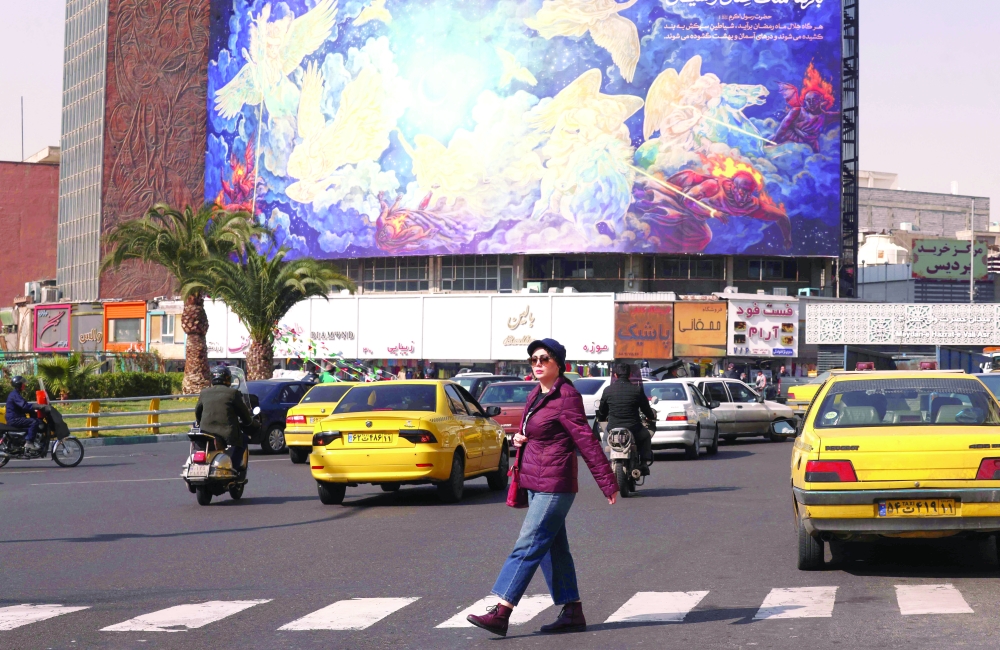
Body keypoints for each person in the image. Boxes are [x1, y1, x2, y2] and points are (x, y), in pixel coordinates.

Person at [467, 338, 617, 638]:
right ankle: (572, 611)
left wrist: (607, 481)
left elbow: (586, 440)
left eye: (544, 359)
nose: (537, 364)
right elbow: (537, 431)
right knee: (552, 549)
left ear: (559, 364)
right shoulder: (538, 394)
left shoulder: (566, 397)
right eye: (534, 359)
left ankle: (502, 609)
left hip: (555, 484)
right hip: (535, 480)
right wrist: (520, 438)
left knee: (529, 542)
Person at [596, 362, 656, 475]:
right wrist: (651, 417)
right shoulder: (637, 390)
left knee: (604, 439)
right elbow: (646, 409)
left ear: (615, 375)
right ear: (629, 375)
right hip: (634, 428)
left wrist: (601, 417)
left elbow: (602, 411)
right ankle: (643, 463)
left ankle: (609, 462)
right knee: (646, 436)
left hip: (613, 427)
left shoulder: (608, 390)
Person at [194, 366, 253, 471]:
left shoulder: (204, 392)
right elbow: (244, 413)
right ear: (227, 378)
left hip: (206, 433)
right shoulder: (232, 393)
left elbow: (198, 412)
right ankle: (233, 468)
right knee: (243, 439)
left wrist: (199, 422)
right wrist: (249, 422)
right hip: (226, 434)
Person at [6, 376, 41, 450]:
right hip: (14, 419)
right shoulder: (15, 395)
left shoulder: (16, 394)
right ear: (18, 385)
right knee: (33, 422)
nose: (24, 385)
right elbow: (24, 406)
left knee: (35, 420)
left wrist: (33, 410)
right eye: (23, 383)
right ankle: (29, 442)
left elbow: (22, 408)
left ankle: (29, 440)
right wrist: (37, 406)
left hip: (16, 417)